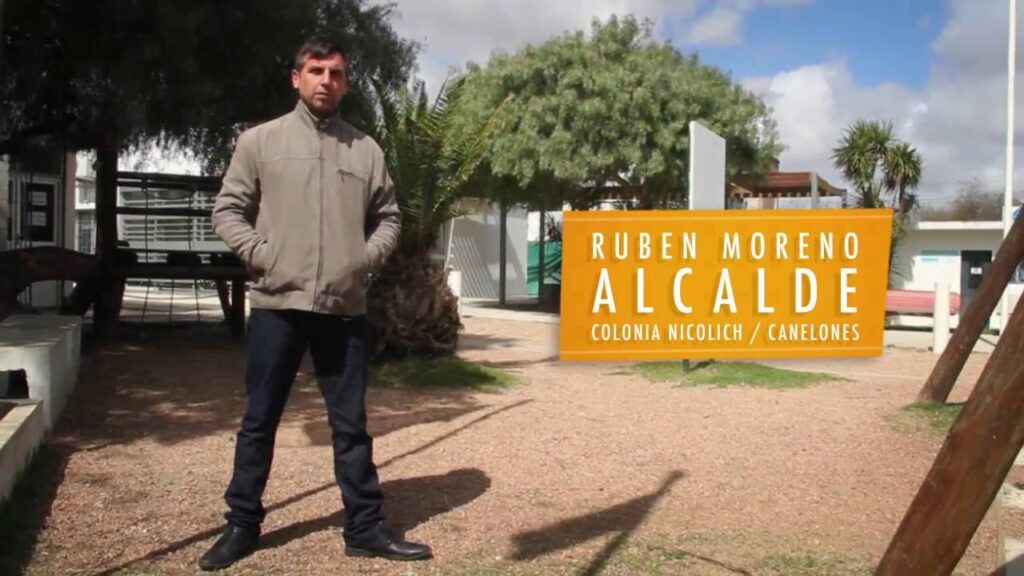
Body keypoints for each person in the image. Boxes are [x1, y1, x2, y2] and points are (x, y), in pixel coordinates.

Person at [199, 36, 432, 571]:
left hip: (343, 309)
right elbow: (227, 210)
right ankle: (241, 525)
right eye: (316, 70)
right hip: (277, 304)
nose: (326, 80)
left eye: (337, 73)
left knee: (351, 426)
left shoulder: (365, 150)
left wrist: (361, 261)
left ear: (346, 83)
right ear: (296, 77)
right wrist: (264, 255)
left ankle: (365, 527)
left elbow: (389, 218)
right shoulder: (260, 142)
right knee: (259, 420)